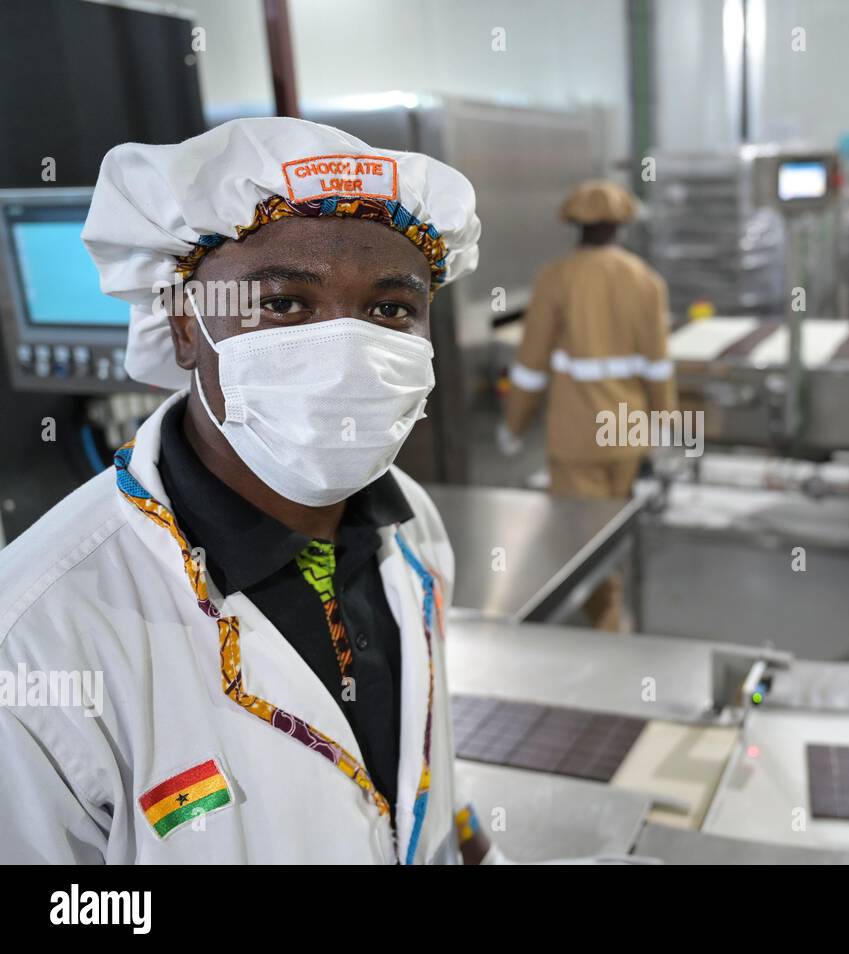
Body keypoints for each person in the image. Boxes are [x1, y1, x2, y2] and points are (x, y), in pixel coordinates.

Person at [0, 117, 499, 863]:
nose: (345, 355)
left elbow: (419, 781)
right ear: (184, 327)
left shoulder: (411, 527)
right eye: (286, 304)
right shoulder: (37, 640)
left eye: (391, 310)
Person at [500, 181, 676, 632]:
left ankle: (606, 628)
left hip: (576, 434)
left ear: (575, 225)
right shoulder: (646, 280)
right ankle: (615, 614)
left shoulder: (556, 277)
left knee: (584, 539)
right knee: (613, 528)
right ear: (620, 224)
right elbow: (658, 367)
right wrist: (667, 432)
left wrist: (514, 424)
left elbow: (531, 366)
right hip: (626, 431)